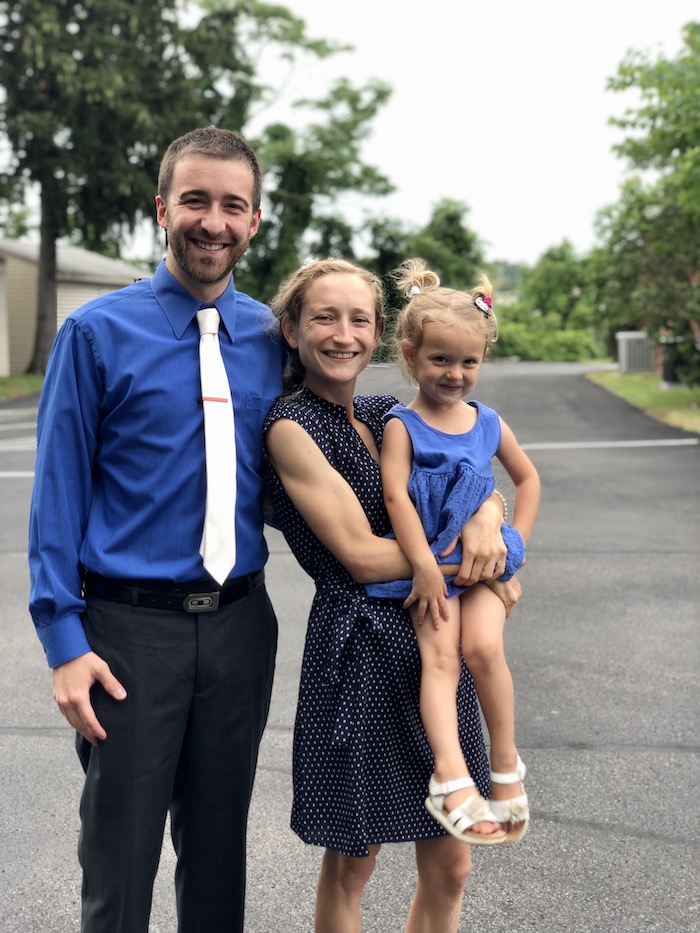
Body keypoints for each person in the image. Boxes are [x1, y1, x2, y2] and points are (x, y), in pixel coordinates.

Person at [28, 127, 282, 933]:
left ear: (256, 218)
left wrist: (487, 506)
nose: (214, 221)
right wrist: (64, 643)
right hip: (128, 635)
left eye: (232, 205)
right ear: (163, 208)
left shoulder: (275, 342)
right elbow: (57, 499)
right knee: (120, 855)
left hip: (242, 627)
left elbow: (361, 452)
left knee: (218, 857)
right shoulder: (97, 334)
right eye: (197, 200)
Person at [262, 258, 522, 932]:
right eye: (324, 316)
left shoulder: (386, 414)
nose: (342, 333)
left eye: (358, 319)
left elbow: (474, 475)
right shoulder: (291, 427)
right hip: (362, 652)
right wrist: (480, 562)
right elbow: (362, 557)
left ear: (379, 334)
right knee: (356, 860)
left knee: (452, 862)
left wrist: (487, 516)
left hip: (435, 634)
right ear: (293, 329)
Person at [366, 258, 541, 845]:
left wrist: (515, 542)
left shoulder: (487, 421)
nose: (455, 373)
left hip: (483, 568)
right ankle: (448, 775)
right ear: (411, 356)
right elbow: (395, 497)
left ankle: (505, 762)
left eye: (469, 362)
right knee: (439, 658)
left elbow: (528, 479)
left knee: (485, 648)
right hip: (432, 567)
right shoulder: (402, 425)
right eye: (441, 359)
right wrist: (422, 568)